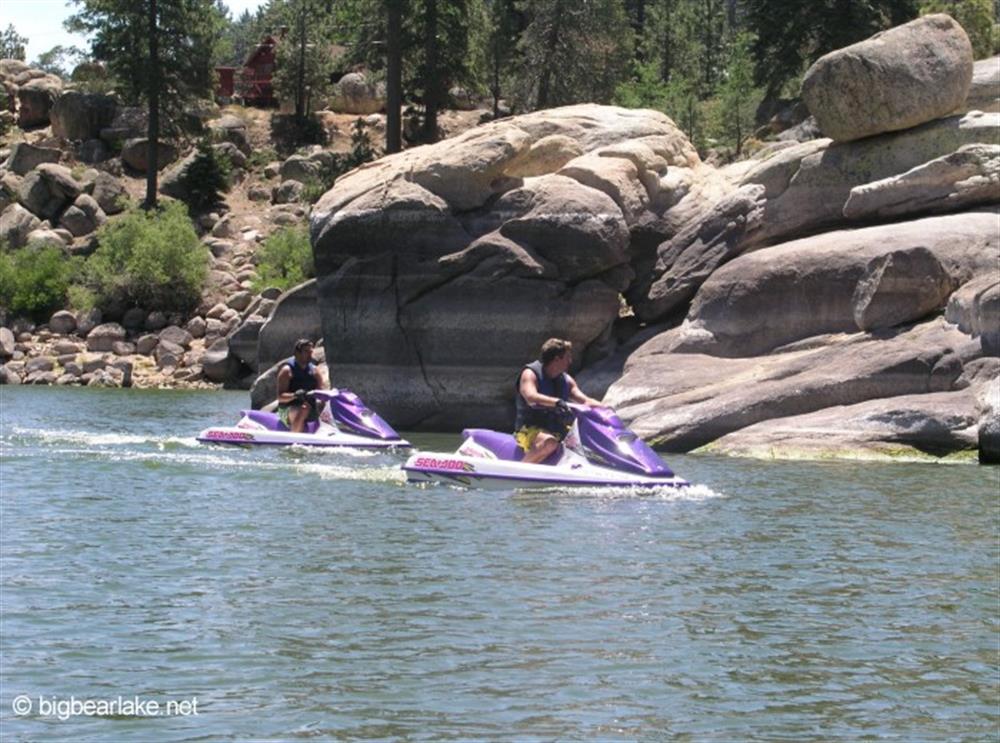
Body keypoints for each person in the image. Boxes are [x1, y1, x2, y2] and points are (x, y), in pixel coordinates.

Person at [514, 338, 604, 464]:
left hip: (557, 429)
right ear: (557, 359)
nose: (570, 361)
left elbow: (585, 401)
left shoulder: (566, 380)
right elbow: (530, 396)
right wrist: (556, 402)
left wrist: (605, 408)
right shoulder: (530, 374)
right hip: (529, 429)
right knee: (549, 443)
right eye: (567, 357)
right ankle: (518, 472)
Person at [276, 338, 326, 433]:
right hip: (287, 409)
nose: (309, 355)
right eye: (306, 352)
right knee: (304, 408)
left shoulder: (315, 371)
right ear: (297, 353)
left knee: (323, 408)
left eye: (311, 352)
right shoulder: (286, 371)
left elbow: (321, 391)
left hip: (310, 408)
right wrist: (295, 395)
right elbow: (280, 397)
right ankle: (294, 439)